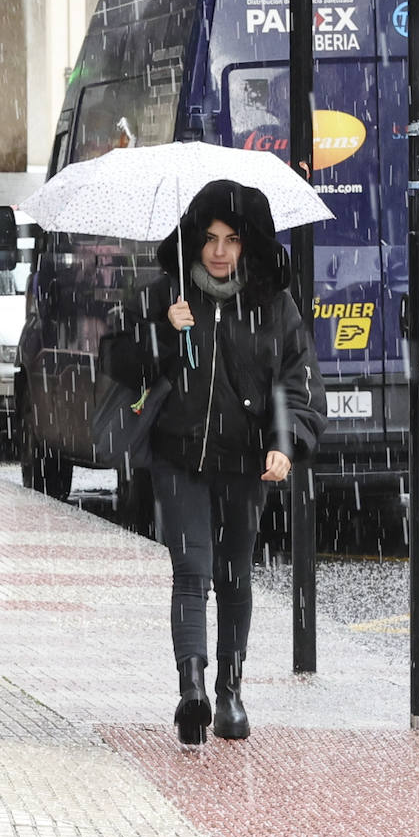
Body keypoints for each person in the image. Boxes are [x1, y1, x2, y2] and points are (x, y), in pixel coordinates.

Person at [104, 179, 326, 745]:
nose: (219, 251)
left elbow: (296, 383)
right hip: (179, 458)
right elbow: (118, 359)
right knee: (191, 572)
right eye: (209, 239)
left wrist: (284, 441)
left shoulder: (273, 305)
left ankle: (230, 688)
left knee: (233, 577)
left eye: (231, 239)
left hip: (244, 464)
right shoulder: (168, 295)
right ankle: (192, 690)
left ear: (248, 244)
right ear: (194, 241)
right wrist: (162, 333)